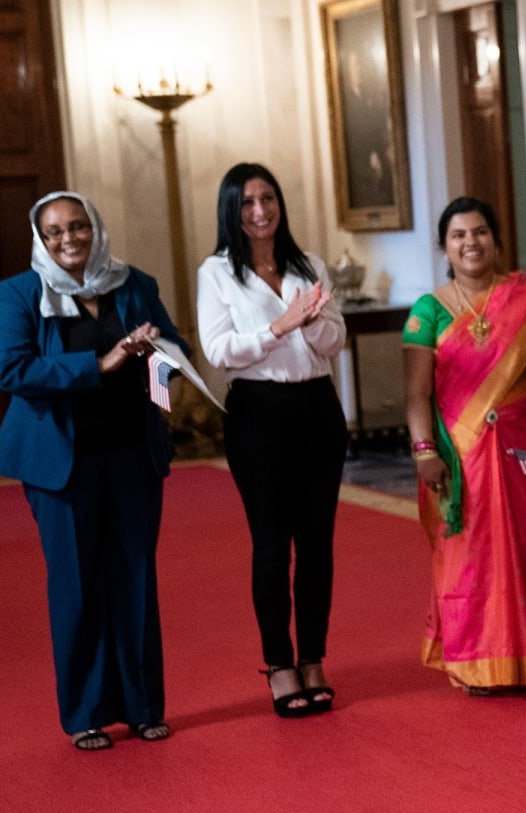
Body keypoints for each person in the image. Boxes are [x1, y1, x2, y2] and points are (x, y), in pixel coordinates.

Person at [0, 190, 187, 750]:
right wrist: (101, 363)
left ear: (95, 229)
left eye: (78, 227)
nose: (69, 239)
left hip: (133, 454)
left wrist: (157, 363)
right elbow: (11, 369)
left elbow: (174, 358)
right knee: (77, 586)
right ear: (41, 239)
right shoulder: (23, 292)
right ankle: (84, 714)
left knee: (135, 579)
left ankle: (145, 705)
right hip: (61, 464)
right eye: (54, 232)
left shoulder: (135, 284)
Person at [197, 163, 348, 718]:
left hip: (318, 409)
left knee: (317, 545)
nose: (260, 211)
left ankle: (313, 658)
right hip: (259, 413)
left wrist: (309, 324)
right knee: (270, 544)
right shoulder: (216, 273)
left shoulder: (308, 264)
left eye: (268, 198)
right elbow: (218, 351)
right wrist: (278, 328)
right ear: (231, 211)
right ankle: (279, 665)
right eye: (247, 203)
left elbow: (336, 339)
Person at [402, 196, 526, 694]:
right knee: (463, 557)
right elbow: (416, 393)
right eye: (458, 235)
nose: (470, 243)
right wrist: (424, 450)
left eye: (479, 232)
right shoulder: (427, 311)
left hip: (520, 447)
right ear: (444, 247)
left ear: (496, 240)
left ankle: (513, 659)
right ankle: (471, 659)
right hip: (457, 452)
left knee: (518, 553)